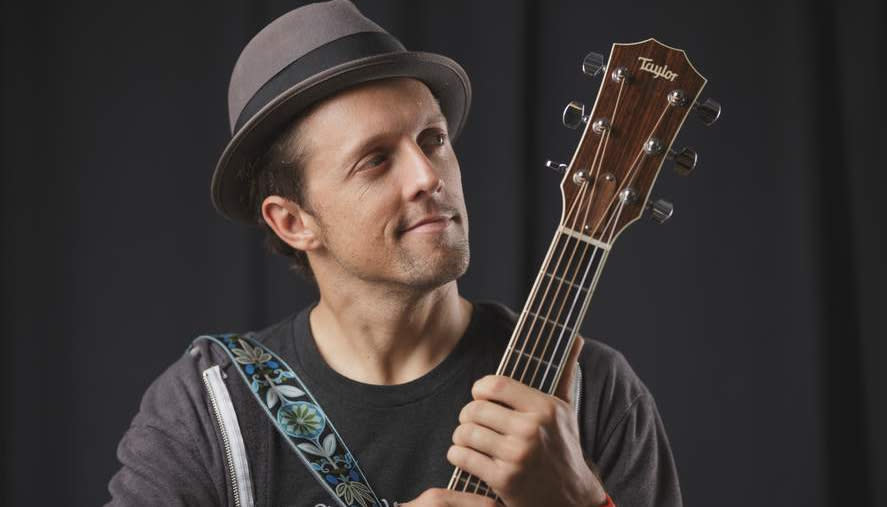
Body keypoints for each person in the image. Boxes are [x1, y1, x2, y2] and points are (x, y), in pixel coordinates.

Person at [106, 1, 682, 506]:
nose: (427, 175)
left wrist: (578, 504)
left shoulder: (593, 390)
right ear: (293, 221)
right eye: (375, 160)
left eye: (433, 139)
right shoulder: (209, 411)